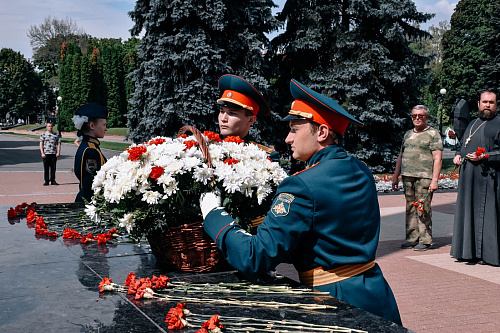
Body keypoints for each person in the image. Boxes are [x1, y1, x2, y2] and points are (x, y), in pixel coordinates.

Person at [200, 79, 402, 325]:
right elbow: (327, 234)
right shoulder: (360, 170)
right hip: (375, 291)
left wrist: (213, 215)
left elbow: (255, 257)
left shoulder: (301, 184)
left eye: (295, 129)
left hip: (332, 302)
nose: (287, 138)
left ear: (322, 132)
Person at [451, 90, 500, 266]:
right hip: (468, 179)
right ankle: (468, 252)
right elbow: (463, 144)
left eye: (491, 102)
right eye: (485, 102)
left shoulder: (498, 123)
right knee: (468, 213)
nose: (487, 105)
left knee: (485, 216)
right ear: (478, 104)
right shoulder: (472, 123)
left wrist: (486, 156)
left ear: (496, 105)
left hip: (488, 179)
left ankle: (487, 255)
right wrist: (458, 155)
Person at [392, 105, 443, 251]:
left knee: (423, 207)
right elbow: (401, 156)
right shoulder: (408, 134)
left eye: (420, 115)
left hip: (424, 177)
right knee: (410, 207)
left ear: (426, 117)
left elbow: (437, 158)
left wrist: (435, 180)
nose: (417, 118)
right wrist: (396, 176)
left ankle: (425, 239)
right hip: (408, 176)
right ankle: (412, 237)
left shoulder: (433, 134)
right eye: (414, 116)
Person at [216, 74, 279, 162]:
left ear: (251, 119)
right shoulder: (207, 148)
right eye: (222, 111)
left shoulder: (264, 157)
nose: (223, 118)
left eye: (232, 113)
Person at [72, 103, 108, 203]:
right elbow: (90, 185)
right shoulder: (91, 150)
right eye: (104, 125)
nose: (105, 129)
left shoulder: (88, 146)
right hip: (89, 203)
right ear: (92, 125)